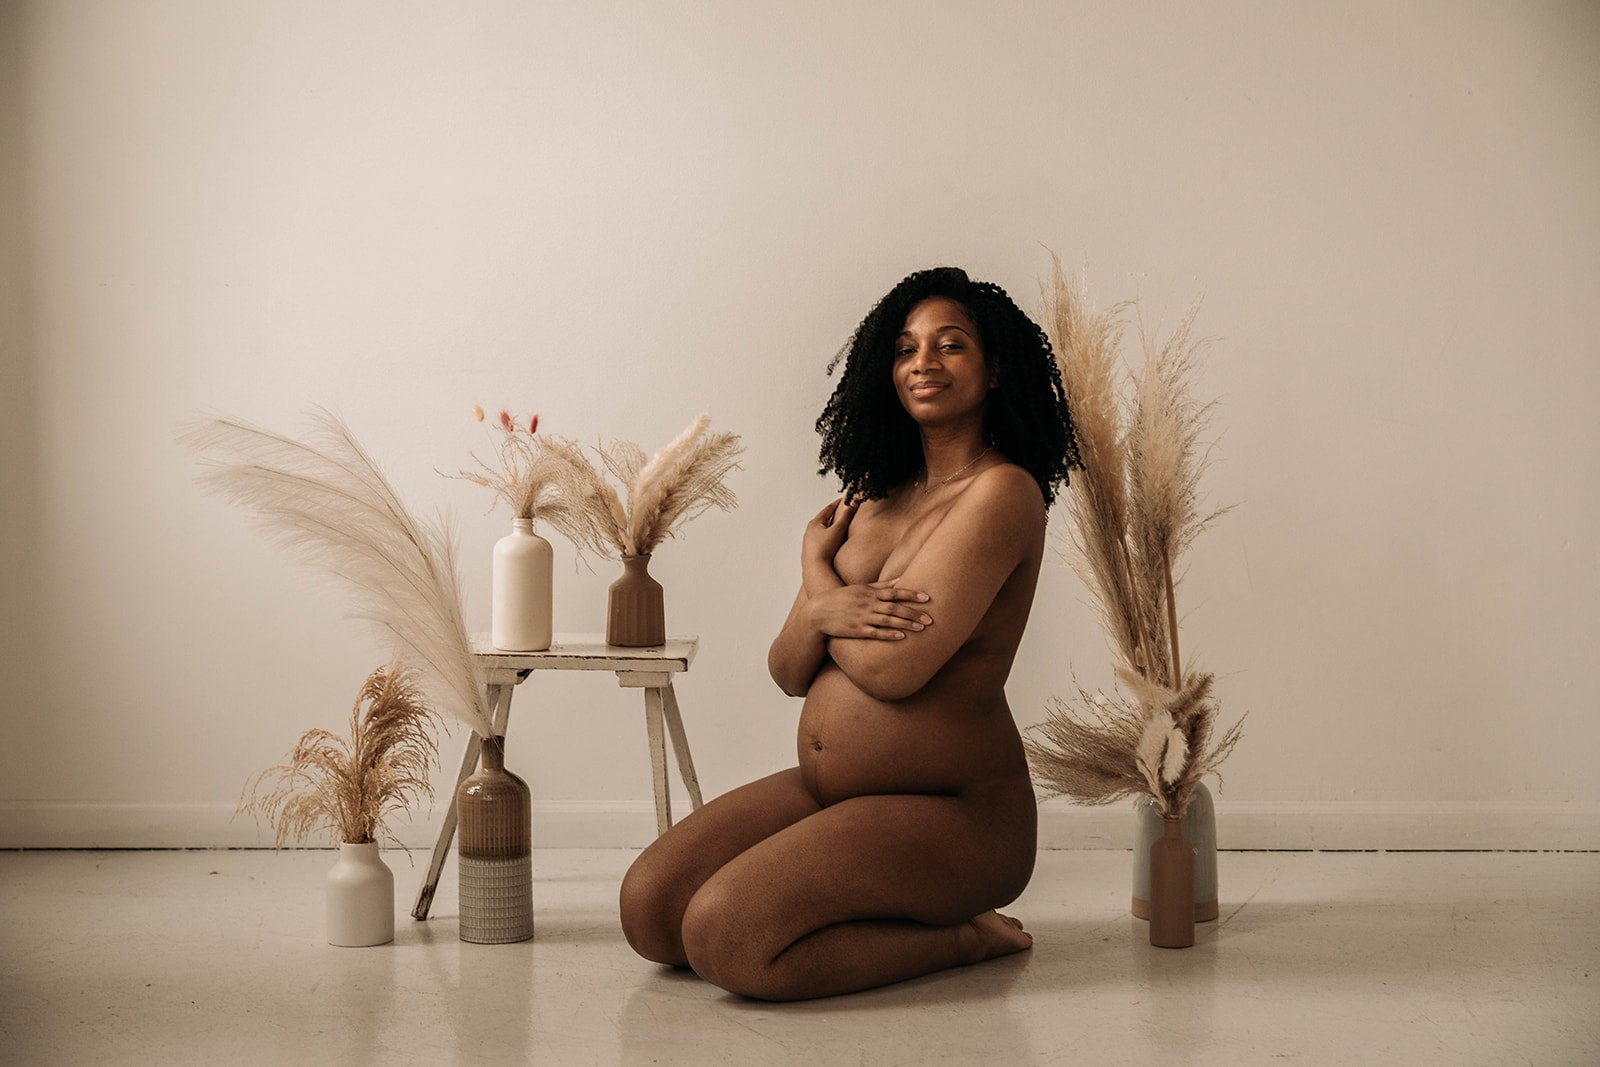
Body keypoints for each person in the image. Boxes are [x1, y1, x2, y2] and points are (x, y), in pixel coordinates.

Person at [618, 266, 1081, 1001]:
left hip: (956, 813)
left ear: (994, 370)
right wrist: (821, 604)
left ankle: (962, 937)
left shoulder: (1004, 492)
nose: (924, 362)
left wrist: (818, 581)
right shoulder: (872, 495)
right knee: (650, 910)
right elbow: (786, 667)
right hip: (830, 792)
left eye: (950, 344)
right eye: (905, 348)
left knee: (724, 935)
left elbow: (897, 669)